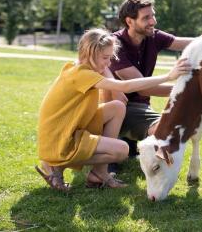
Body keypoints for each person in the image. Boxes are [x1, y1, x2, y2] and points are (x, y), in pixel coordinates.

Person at [35, 28, 191, 191]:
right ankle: (55, 165)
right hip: (61, 138)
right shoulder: (83, 75)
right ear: (89, 54)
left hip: (70, 128)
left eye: (110, 57)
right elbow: (125, 86)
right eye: (105, 58)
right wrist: (168, 76)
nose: (109, 63)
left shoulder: (79, 67)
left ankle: (99, 173)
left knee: (117, 107)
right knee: (122, 150)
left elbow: (117, 91)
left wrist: (103, 65)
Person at [108, 0, 202, 167]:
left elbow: (192, 43)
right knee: (164, 129)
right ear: (129, 21)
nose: (153, 21)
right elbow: (143, 88)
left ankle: (130, 142)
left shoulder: (153, 37)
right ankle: (117, 144)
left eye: (153, 15)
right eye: (146, 18)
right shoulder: (115, 45)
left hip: (141, 108)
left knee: (170, 127)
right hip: (119, 107)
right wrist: (186, 91)